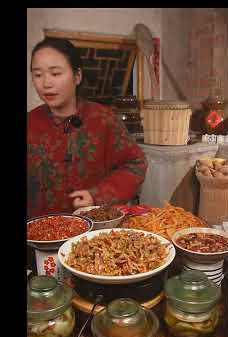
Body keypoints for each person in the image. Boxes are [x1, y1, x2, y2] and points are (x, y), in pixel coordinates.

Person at [27, 37, 148, 218]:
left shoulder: (103, 119)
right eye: (38, 75)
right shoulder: (30, 122)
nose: (46, 83)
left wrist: (96, 195)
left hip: (93, 233)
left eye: (56, 73)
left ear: (77, 76)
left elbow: (136, 164)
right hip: (38, 234)